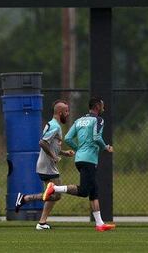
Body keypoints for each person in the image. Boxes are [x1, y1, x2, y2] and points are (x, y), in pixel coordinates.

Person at [42, 97, 116, 232]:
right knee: (84, 191)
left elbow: (68, 138)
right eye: (102, 106)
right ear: (98, 107)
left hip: (80, 159)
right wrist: (106, 147)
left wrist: (79, 149)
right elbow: (96, 137)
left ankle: (99, 224)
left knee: (94, 191)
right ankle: (55, 189)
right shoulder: (98, 120)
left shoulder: (79, 120)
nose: (104, 108)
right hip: (89, 160)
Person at [13, 99, 75, 229]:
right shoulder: (55, 126)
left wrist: (63, 153)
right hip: (48, 167)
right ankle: (25, 198)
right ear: (59, 112)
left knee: (52, 195)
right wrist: (54, 157)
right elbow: (42, 142)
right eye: (66, 111)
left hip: (45, 165)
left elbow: (51, 145)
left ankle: (42, 222)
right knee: (56, 194)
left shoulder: (53, 124)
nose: (68, 114)